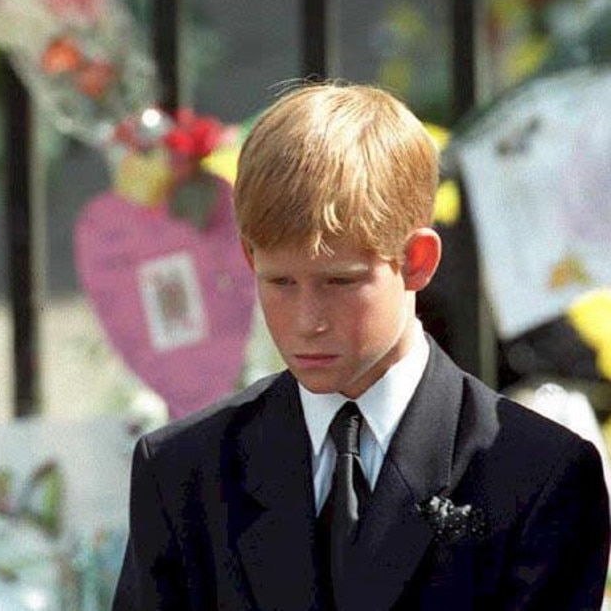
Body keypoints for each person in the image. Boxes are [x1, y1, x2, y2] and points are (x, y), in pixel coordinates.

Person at [112, 82, 610, 610]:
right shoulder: (182, 473)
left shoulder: (538, 474)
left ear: (416, 261)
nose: (307, 321)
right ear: (249, 258)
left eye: (341, 282)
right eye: (280, 282)